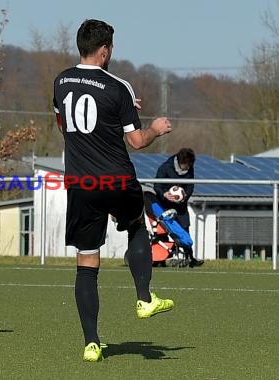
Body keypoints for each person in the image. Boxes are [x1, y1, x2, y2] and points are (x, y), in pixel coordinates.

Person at [52, 19, 174, 362]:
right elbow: (135, 141)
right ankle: (144, 298)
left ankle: (92, 343)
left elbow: (65, 123)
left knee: (87, 261)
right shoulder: (118, 86)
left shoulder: (61, 81)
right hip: (116, 178)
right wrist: (155, 128)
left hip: (81, 182)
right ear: (105, 50)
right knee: (137, 223)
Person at [154, 148, 204, 268]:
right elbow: (157, 185)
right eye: (187, 165)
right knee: (164, 230)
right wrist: (165, 194)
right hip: (165, 205)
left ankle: (190, 257)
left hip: (181, 207)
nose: (188, 168)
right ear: (181, 163)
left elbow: (190, 187)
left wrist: (184, 197)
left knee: (185, 229)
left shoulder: (189, 169)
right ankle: (164, 257)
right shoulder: (165, 167)